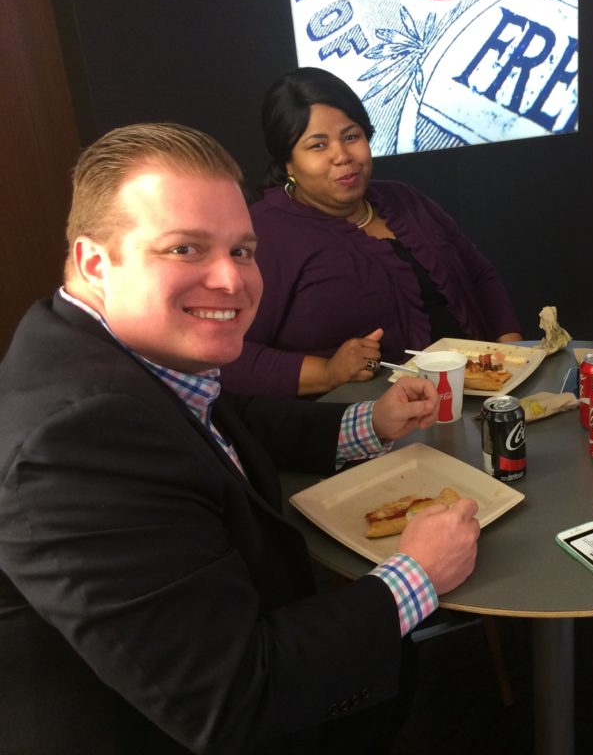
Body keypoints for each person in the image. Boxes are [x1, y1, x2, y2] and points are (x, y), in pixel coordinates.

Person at [0, 122, 481, 754]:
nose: (232, 282)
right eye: (185, 249)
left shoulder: (108, 353)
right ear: (96, 260)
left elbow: (229, 421)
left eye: (243, 251)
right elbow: (234, 696)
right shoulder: (76, 440)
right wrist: (418, 573)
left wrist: (371, 421)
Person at [219, 67, 523, 397]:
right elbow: (228, 355)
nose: (343, 156)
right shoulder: (264, 234)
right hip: (369, 427)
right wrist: (327, 371)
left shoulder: (403, 199)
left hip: (479, 396)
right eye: (318, 145)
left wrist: (515, 360)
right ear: (288, 163)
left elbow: (479, 276)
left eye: (352, 137)